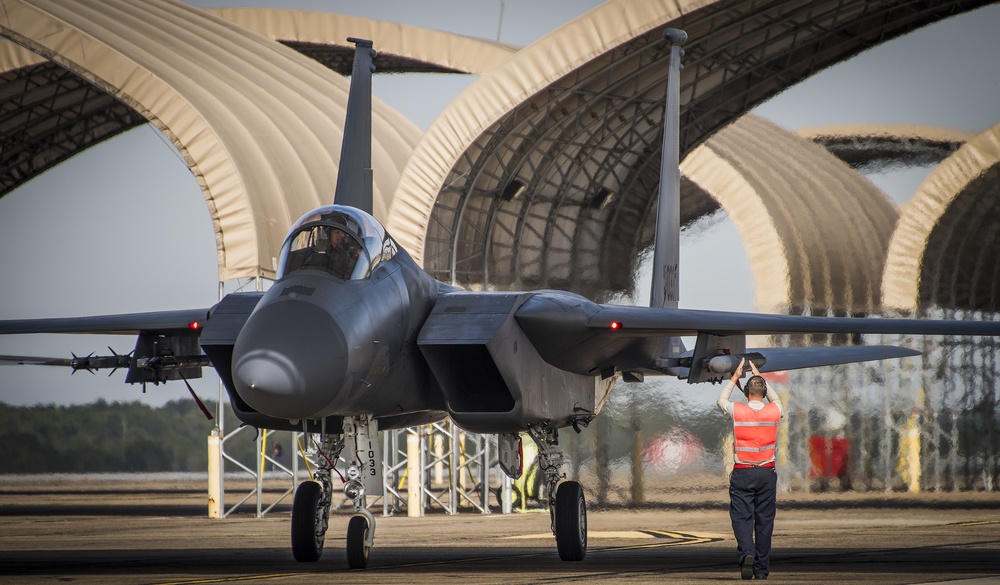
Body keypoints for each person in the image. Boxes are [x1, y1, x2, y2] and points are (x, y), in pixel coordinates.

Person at [717, 357, 784, 580]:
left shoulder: (738, 411)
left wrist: (734, 378)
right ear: (763, 393)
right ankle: (762, 570)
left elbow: (721, 401)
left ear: (746, 392)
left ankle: (747, 552)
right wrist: (762, 379)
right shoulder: (775, 411)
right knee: (764, 523)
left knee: (741, 518)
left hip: (743, 472)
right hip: (767, 473)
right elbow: (776, 400)